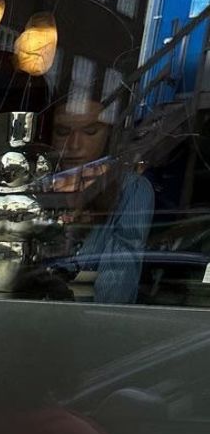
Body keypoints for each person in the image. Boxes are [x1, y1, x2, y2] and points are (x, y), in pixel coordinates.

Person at [39, 86, 155, 305]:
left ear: (110, 135)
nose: (74, 145)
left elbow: (118, 278)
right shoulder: (41, 183)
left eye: (90, 131)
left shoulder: (130, 189)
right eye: (63, 132)